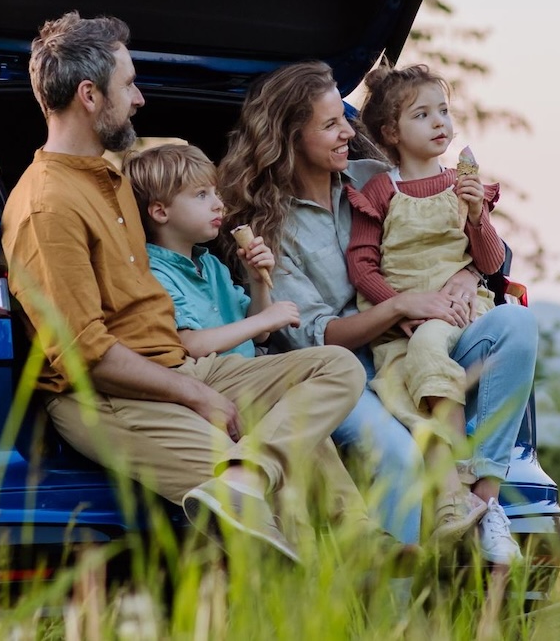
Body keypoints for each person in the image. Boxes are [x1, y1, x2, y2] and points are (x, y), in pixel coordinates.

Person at [0, 13, 370, 563]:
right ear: (89, 95)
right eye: (128, 84)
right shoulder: (47, 206)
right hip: (110, 395)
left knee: (337, 367)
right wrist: (197, 395)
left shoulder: (109, 179)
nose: (140, 98)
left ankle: (265, 484)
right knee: (260, 523)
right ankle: (291, 537)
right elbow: (85, 356)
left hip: (179, 366)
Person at [218, 61, 539, 565]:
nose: (349, 130)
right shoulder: (270, 228)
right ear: (290, 137)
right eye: (330, 125)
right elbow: (313, 338)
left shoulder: (375, 178)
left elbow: (471, 250)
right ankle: (397, 604)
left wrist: (467, 277)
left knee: (516, 323)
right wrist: (400, 305)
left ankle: (482, 503)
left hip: (425, 344)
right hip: (343, 371)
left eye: (343, 118)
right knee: (397, 455)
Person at [344, 63, 503, 539]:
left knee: (430, 349)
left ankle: (455, 482)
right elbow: (362, 265)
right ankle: (446, 506)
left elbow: (490, 262)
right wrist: (402, 305)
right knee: (403, 398)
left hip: (455, 310)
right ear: (391, 132)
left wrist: (476, 214)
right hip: (403, 318)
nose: (440, 123)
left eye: (444, 111)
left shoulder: (463, 185)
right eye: (422, 115)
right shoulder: (381, 190)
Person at [126, 142, 300, 360]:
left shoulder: (212, 265)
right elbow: (190, 345)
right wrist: (265, 319)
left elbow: (260, 336)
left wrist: (257, 281)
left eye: (216, 193)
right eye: (201, 195)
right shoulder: (155, 273)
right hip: (211, 379)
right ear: (161, 212)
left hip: (248, 370)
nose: (218, 204)